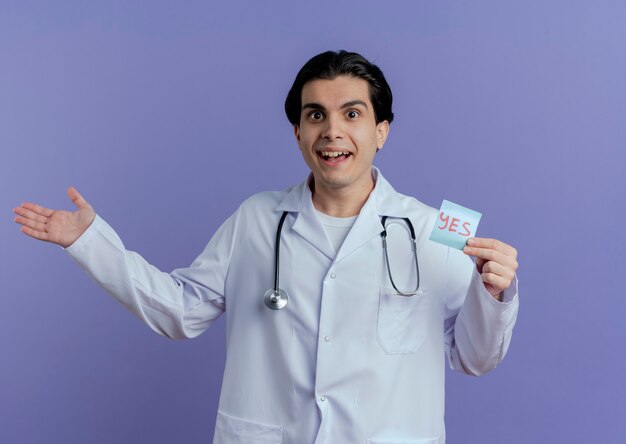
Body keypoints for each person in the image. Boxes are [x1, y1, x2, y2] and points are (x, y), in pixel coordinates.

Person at [13, 50, 519, 444]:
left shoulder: (436, 228)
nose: (333, 131)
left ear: (381, 131)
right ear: (298, 133)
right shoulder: (257, 219)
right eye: (315, 115)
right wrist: (89, 242)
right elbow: (180, 311)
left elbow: (474, 357)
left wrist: (497, 294)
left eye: (352, 113)